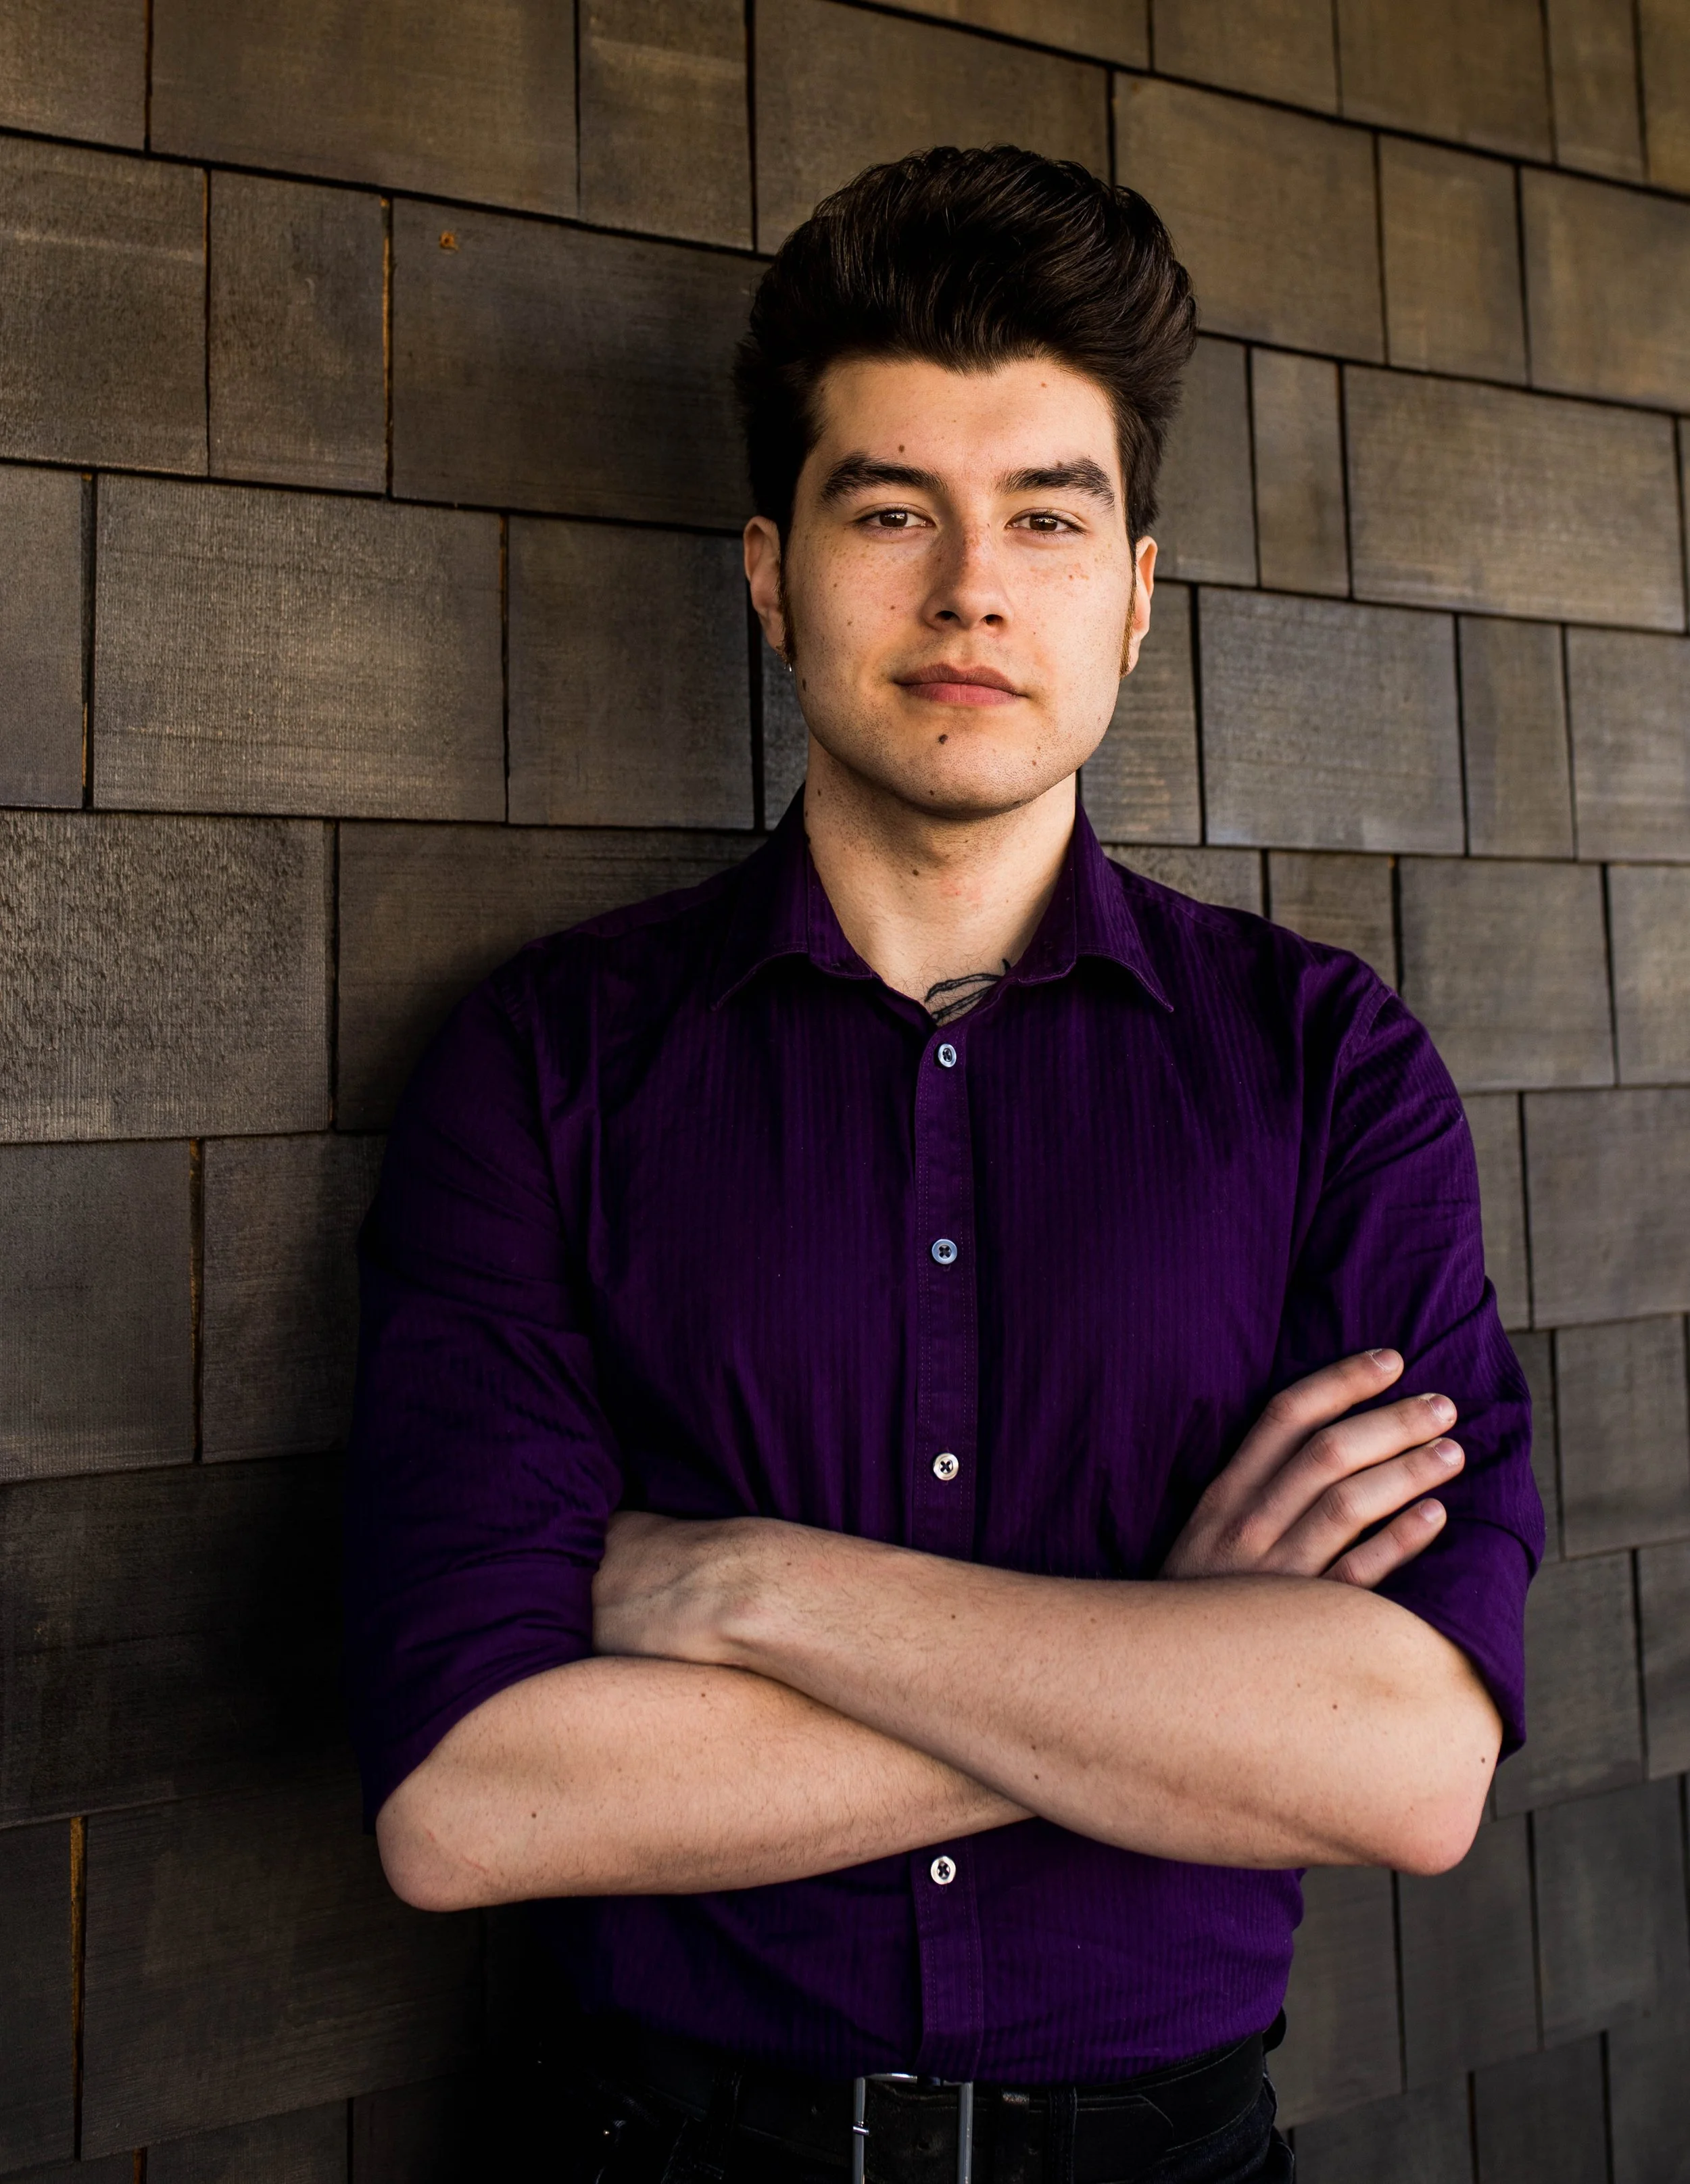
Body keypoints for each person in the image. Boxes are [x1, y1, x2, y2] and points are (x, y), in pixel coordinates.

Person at [344, 146, 1541, 2183]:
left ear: (1135, 595)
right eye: (890, 509)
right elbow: (477, 1802)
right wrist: (1161, 1655)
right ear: (768, 570)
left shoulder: (1329, 1064)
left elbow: (1407, 1756)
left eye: (1046, 515)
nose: (970, 586)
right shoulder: (545, 1063)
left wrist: (737, 1584)